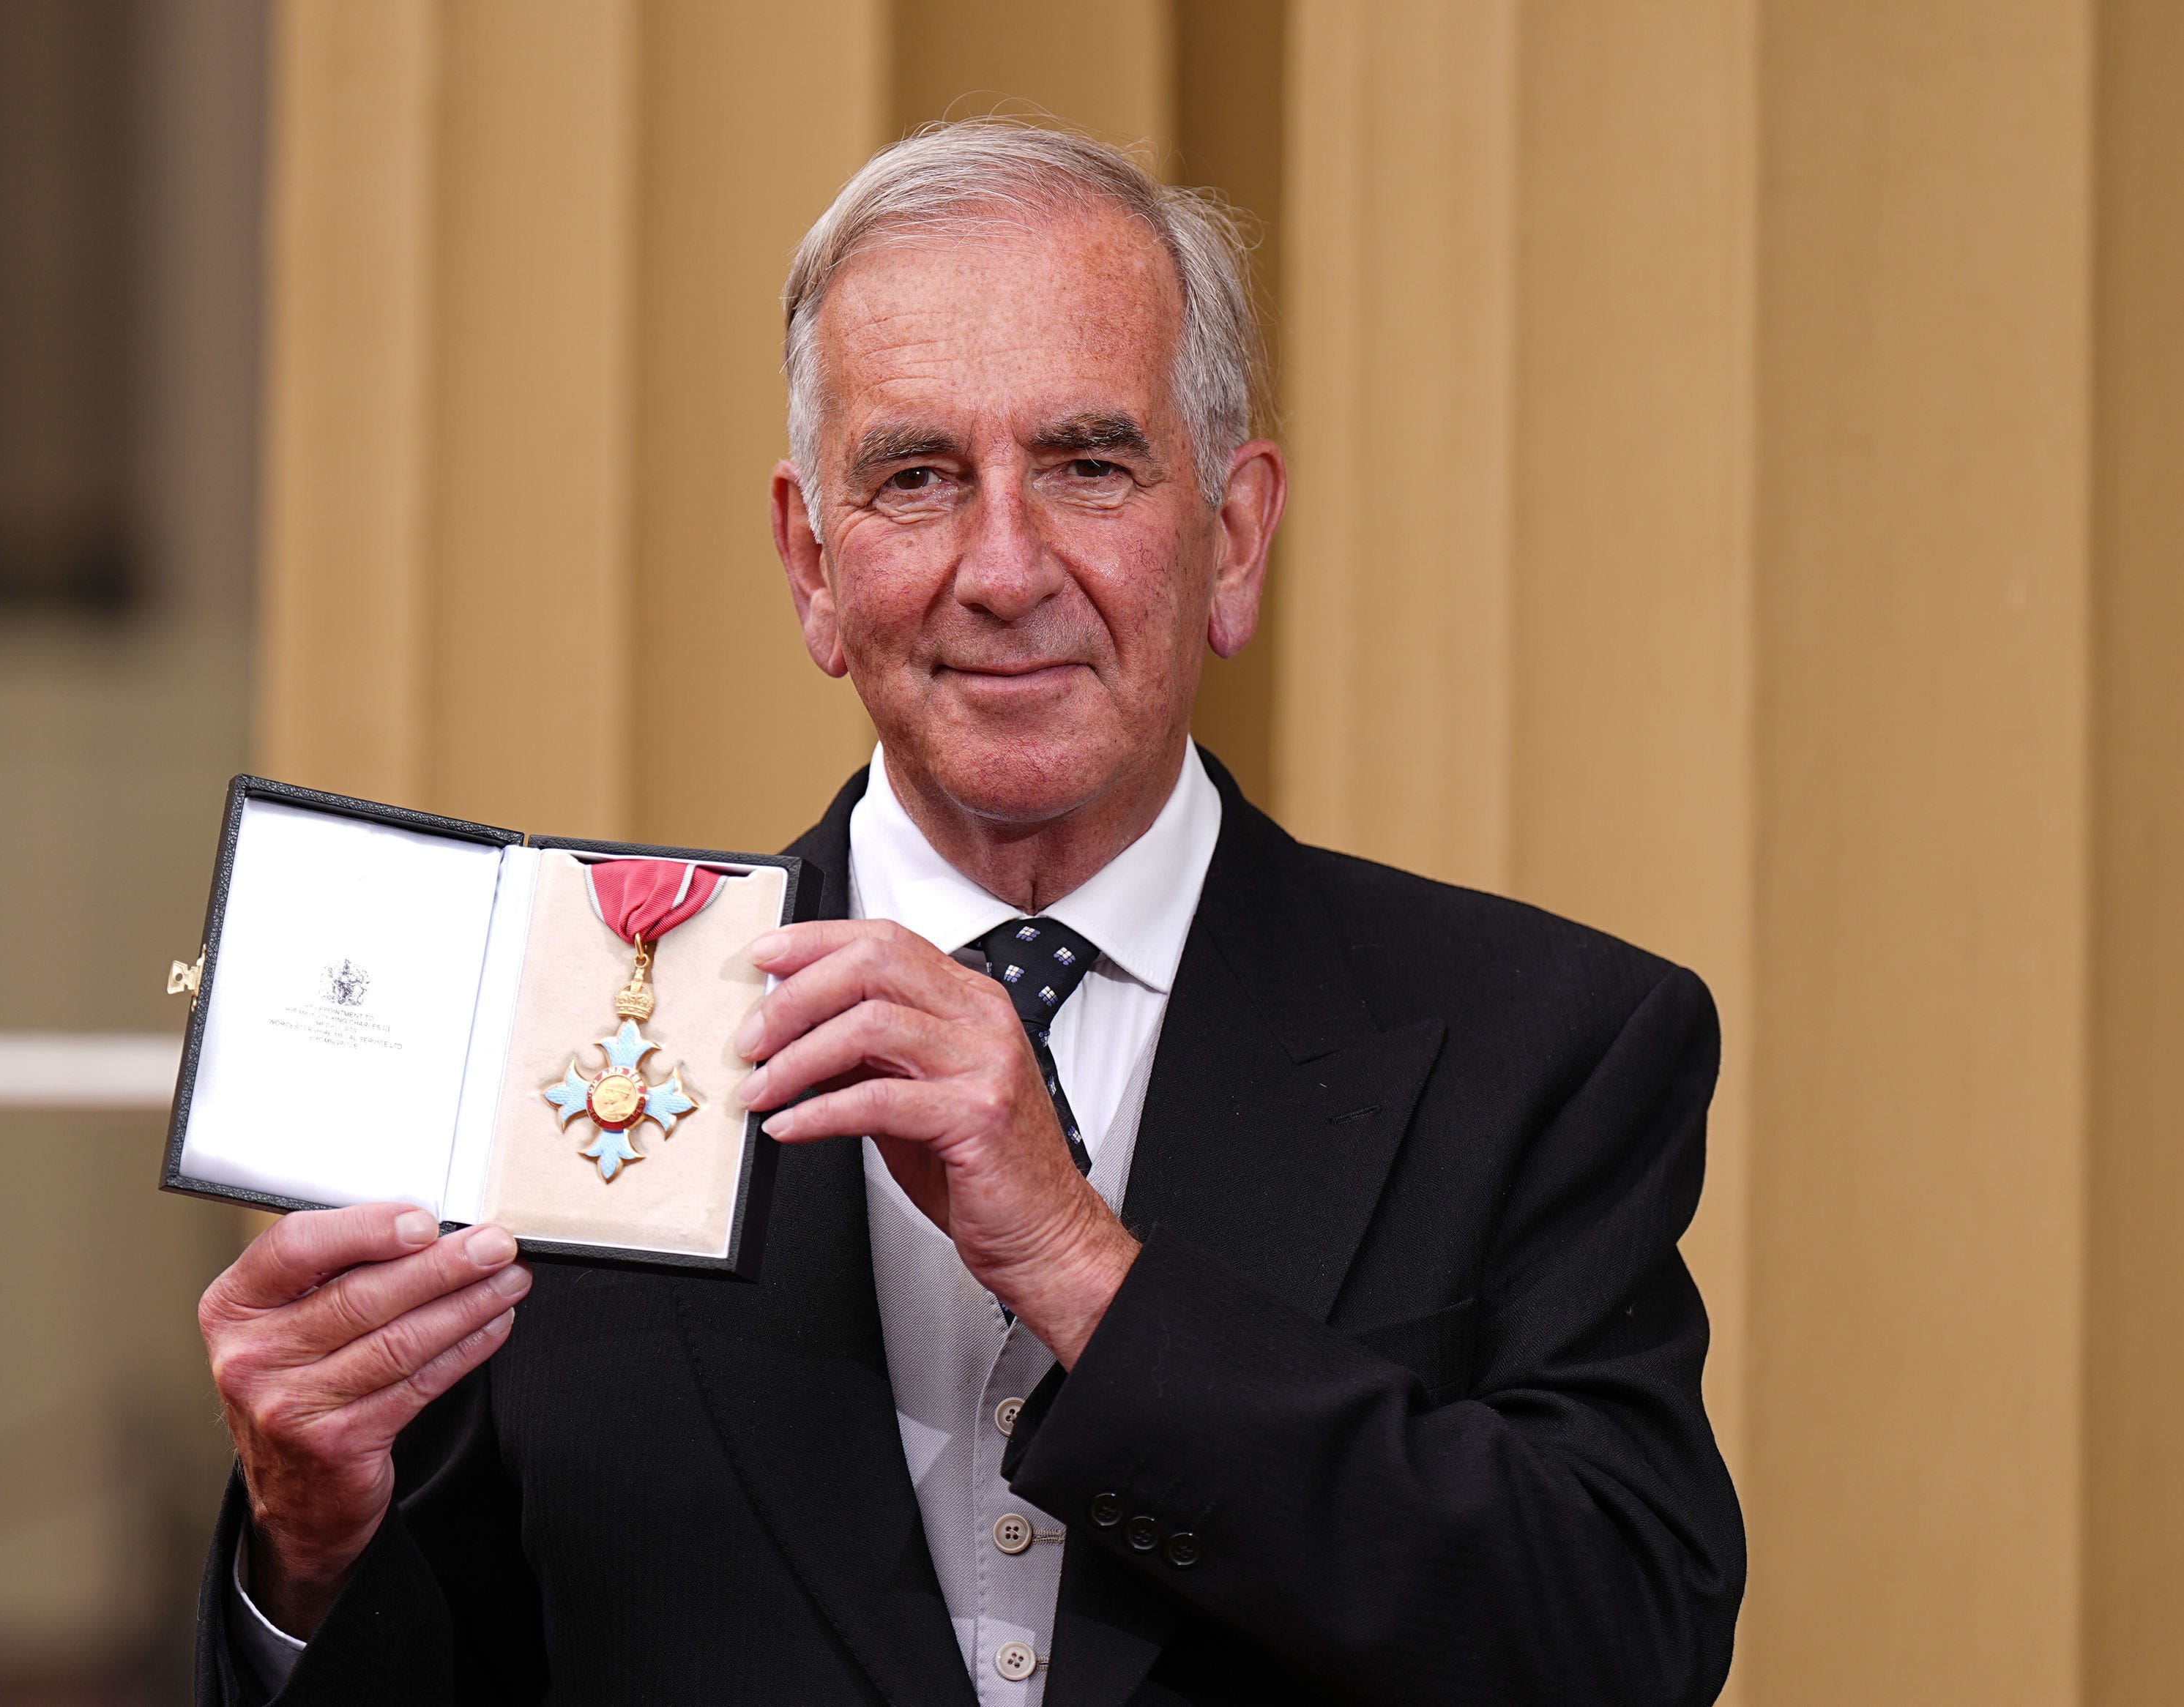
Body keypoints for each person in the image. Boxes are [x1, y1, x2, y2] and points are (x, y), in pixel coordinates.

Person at [193, 120, 1745, 1706]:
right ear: (812, 559)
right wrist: (308, 1556)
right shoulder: (563, 1024)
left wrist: (1081, 1262)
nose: (1004, 569)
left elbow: (1623, 1641)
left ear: (1234, 530)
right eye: (918, 478)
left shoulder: (1543, 1042)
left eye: (1089, 464)